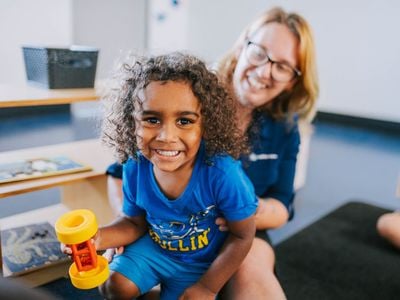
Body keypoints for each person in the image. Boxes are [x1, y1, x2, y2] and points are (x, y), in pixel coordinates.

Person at [106, 6, 319, 299]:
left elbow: (283, 205)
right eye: (259, 53)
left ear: (292, 80)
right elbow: (122, 174)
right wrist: (133, 228)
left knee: (249, 273)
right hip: (162, 229)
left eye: (282, 66)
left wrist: (248, 209)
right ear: (243, 45)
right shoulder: (188, 93)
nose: (265, 71)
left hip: (241, 230)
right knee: (123, 282)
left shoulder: (285, 129)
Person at [90, 52, 257, 299]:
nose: (166, 136)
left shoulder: (223, 174)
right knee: (113, 285)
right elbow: (133, 222)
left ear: (206, 125)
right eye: (152, 119)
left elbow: (243, 235)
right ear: (131, 122)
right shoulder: (135, 165)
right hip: (154, 248)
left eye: (185, 121)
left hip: (199, 263)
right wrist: (97, 239)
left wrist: (207, 287)